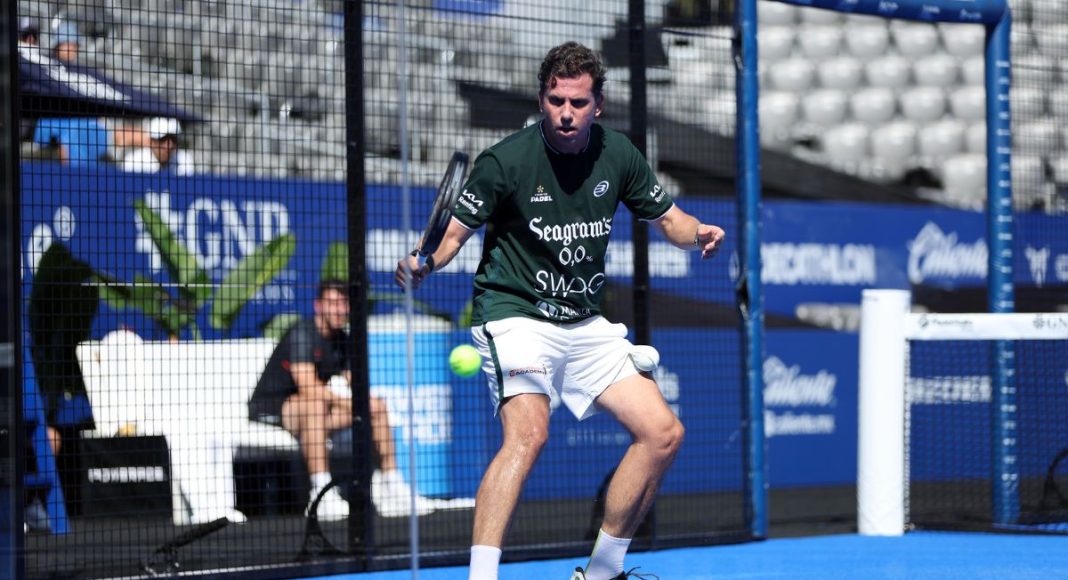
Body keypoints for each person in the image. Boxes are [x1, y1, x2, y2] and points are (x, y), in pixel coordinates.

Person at [395, 41, 725, 580]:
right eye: (555, 101)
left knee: (664, 433)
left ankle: (602, 572)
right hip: (516, 314)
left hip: (584, 320)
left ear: (598, 105)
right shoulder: (505, 160)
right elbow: (451, 236)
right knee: (528, 434)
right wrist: (423, 261)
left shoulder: (618, 154)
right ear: (542, 99)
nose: (566, 113)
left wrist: (699, 236)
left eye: (577, 102)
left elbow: (671, 220)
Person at [248, 279, 471, 520]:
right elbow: (308, 388)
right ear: (318, 306)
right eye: (332, 303)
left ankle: (392, 486)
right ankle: (322, 493)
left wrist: (369, 404)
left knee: (377, 407)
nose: (339, 309)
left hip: (317, 412)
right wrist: (358, 404)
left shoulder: (343, 340)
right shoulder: (302, 333)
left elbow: (356, 385)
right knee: (316, 405)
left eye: (344, 303)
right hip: (273, 409)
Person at [121, 117, 196, 175]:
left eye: (173, 140)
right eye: (162, 140)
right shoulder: (133, 162)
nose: (169, 146)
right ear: (151, 141)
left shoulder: (184, 160)